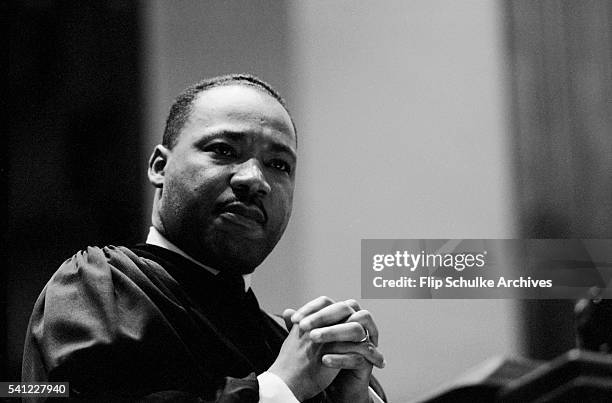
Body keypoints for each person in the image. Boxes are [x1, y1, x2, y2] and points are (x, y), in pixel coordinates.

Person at [22, 74, 386, 402]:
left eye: (279, 164)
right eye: (224, 150)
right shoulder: (99, 283)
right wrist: (280, 388)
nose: (254, 179)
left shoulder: (288, 344)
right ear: (159, 167)